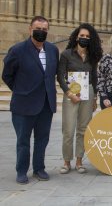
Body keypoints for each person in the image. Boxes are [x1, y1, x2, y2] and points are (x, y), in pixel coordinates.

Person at [2, 16, 59, 184]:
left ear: (48, 31)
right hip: (24, 104)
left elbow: (51, 74)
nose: (41, 32)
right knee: (23, 140)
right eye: (38, 28)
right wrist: (21, 90)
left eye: (44, 29)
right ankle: (21, 170)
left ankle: (39, 168)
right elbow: (7, 75)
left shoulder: (52, 50)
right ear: (30, 29)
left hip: (46, 104)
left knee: (43, 138)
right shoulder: (18, 50)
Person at [57, 23, 103, 174]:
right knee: (68, 129)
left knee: (83, 129)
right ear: (76, 37)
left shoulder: (92, 56)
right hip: (71, 93)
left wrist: (95, 97)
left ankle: (79, 161)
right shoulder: (67, 54)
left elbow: (94, 77)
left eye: (87, 37)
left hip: (88, 92)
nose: (84, 38)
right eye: (82, 36)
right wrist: (69, 93)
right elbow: (61, 76)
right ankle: (66, 162)